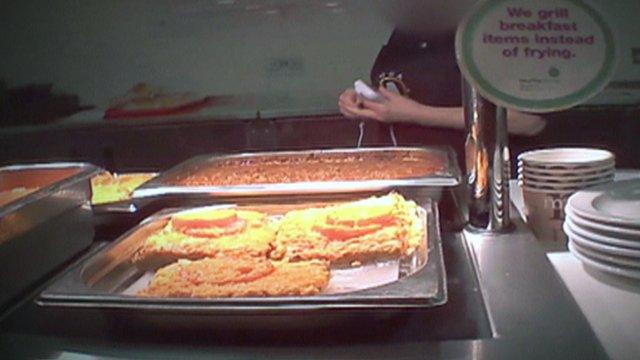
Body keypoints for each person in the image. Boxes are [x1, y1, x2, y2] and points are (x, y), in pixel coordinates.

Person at [338, 30, 546, 137]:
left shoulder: (490, 33)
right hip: (404, 166)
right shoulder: (407, 31)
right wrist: (363, 100)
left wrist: (416, 114)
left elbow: (530, 121)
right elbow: (401, 86)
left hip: (468, 175)